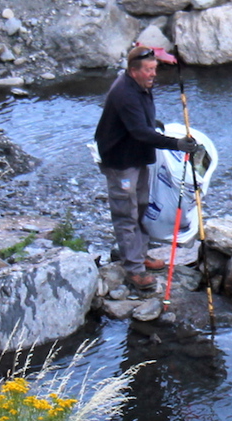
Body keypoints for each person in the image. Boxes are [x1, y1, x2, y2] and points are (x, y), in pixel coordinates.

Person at [94, 45, 200, 289]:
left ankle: (139, 254)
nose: (154, 74)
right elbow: (140, 132)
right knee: (126, 212)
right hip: (121, 161)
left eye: (155, 69)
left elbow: (140, 123)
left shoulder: (140, 86)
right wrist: (176, 144)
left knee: (141, 206)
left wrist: (151, 121)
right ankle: (133, 270)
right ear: (133, 72)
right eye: (149, 70)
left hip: (137, 155)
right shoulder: (125, 93)